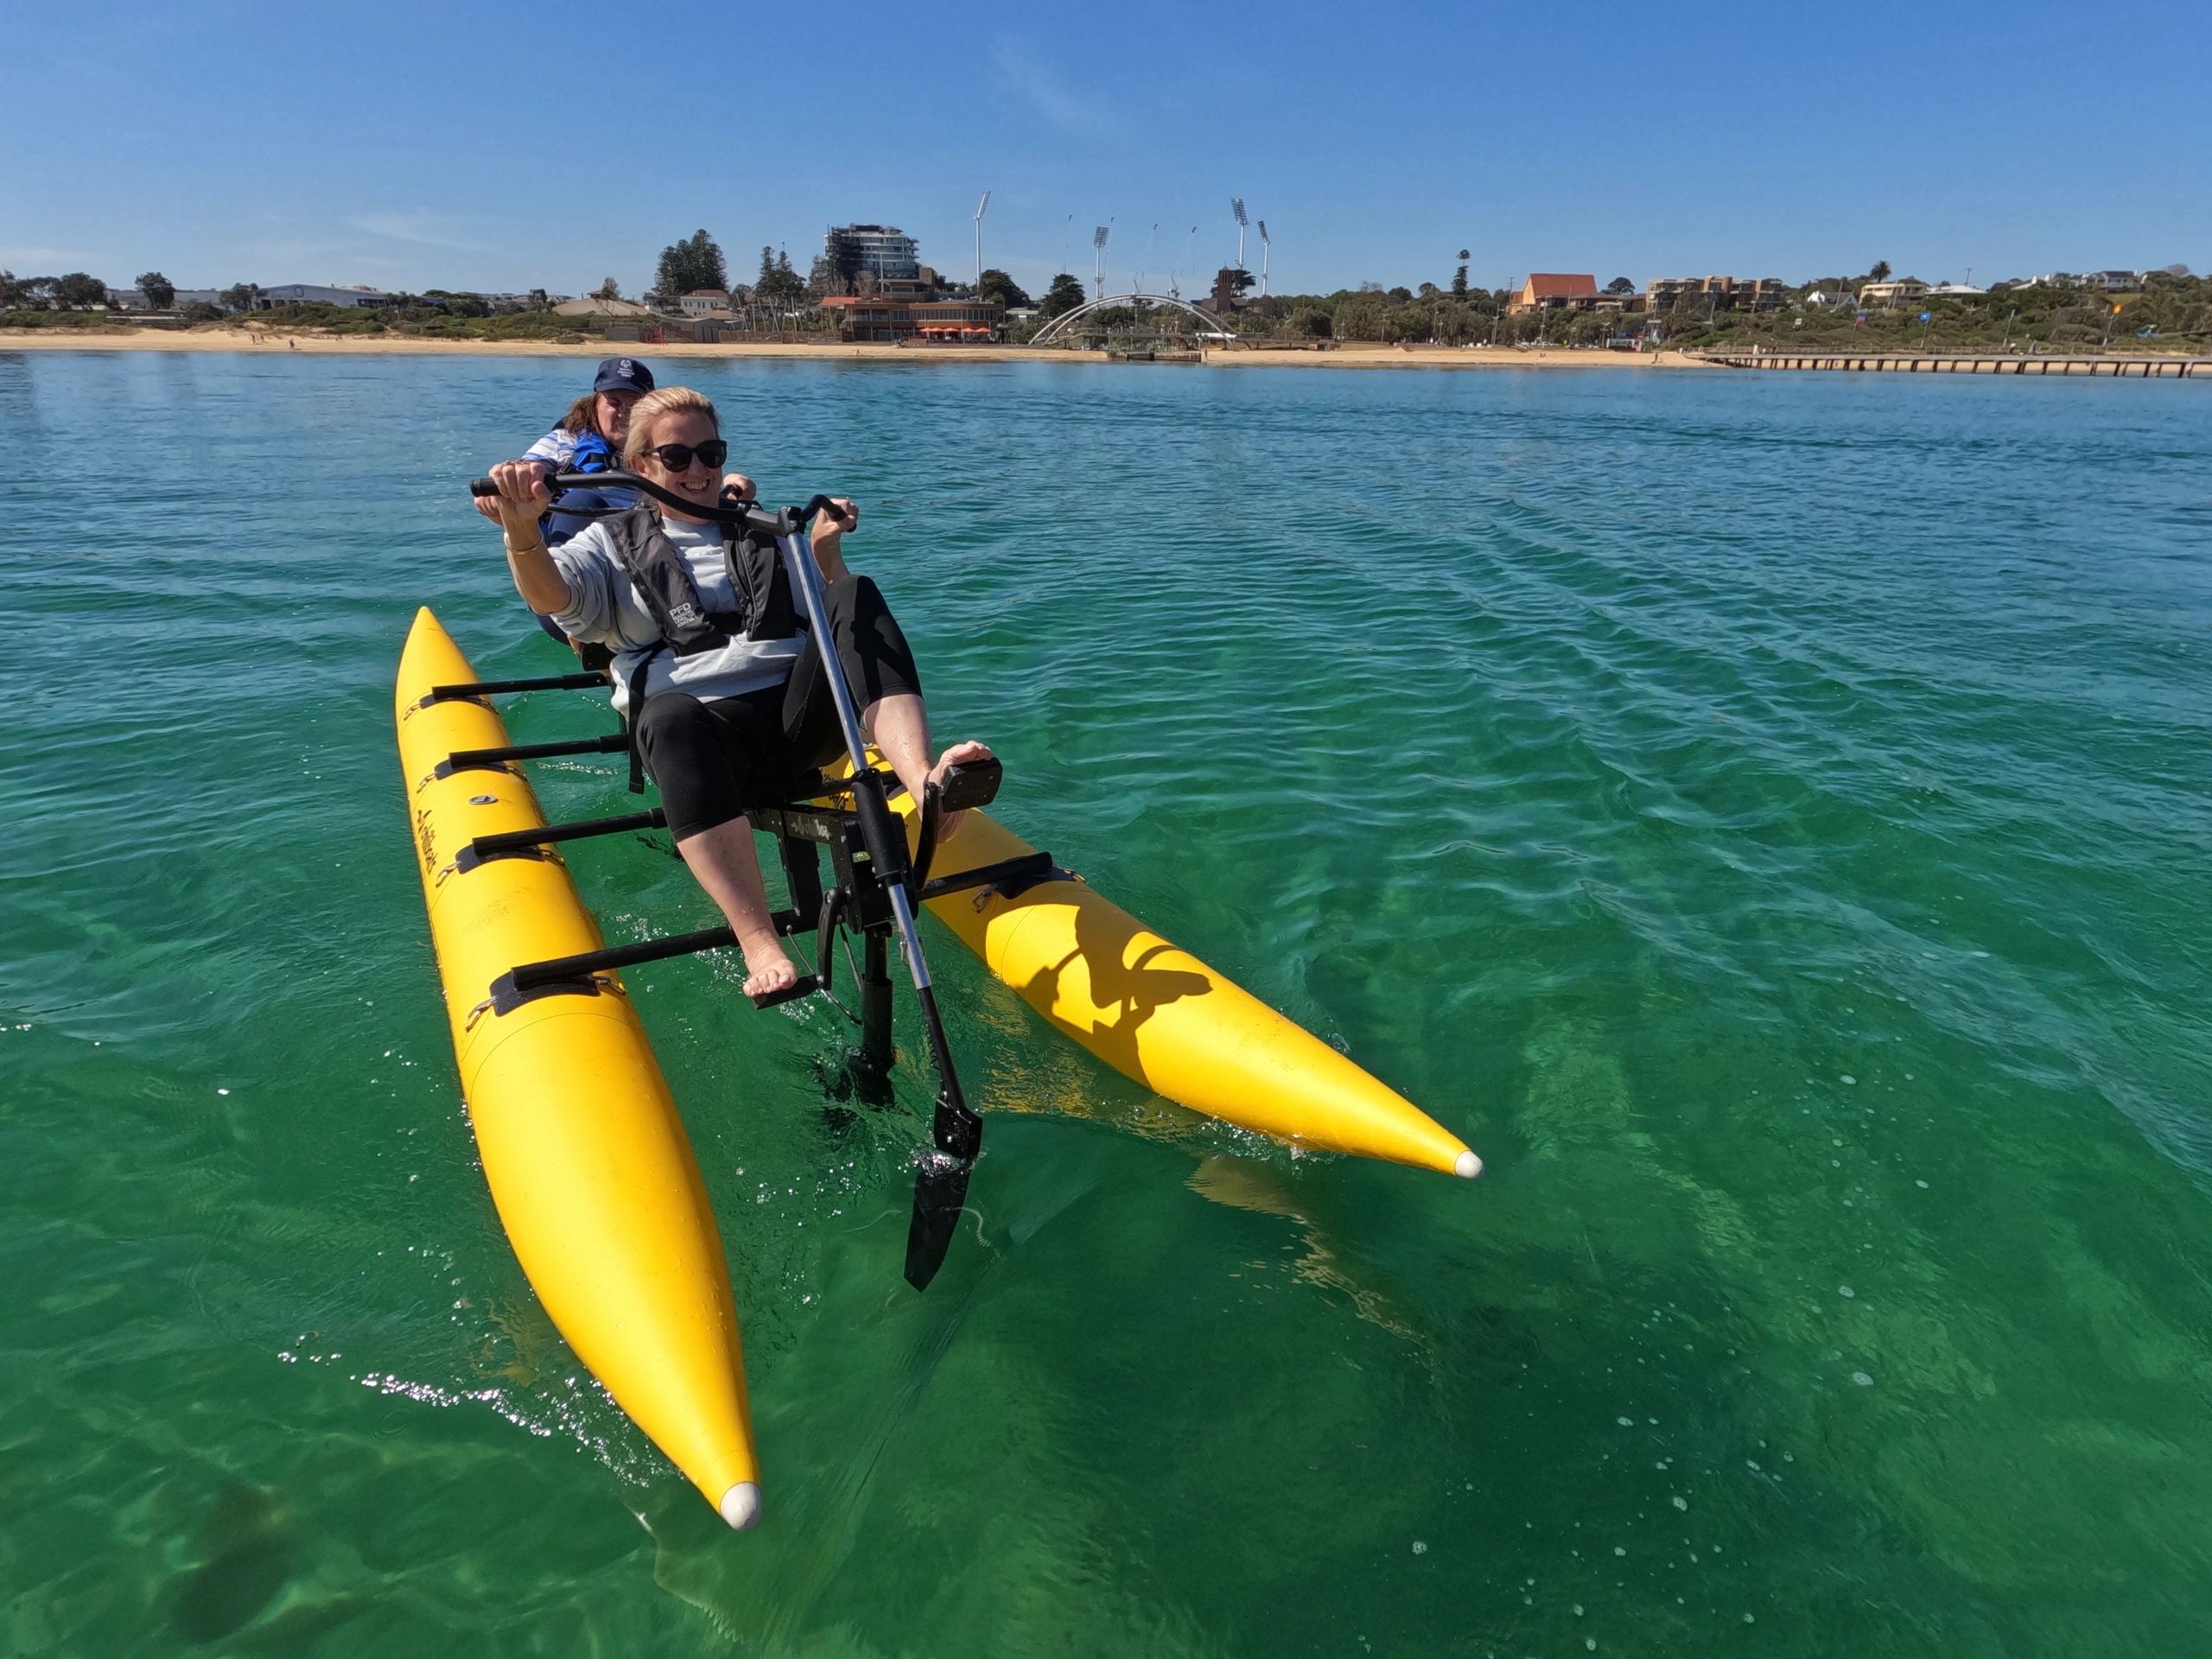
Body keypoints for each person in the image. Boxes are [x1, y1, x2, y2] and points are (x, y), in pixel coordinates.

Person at [483, 385, 991, 998]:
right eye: (677, 456)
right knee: (668, 716)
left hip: (800, 723)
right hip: (702, 742)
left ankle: (923, 786)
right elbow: (553, 598)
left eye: (710, 453)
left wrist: (825, 552)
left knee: (855, 593)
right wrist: (521, 531)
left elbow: (833, 616)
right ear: (640, 465)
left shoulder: (766, 530)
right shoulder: (605, 543)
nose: (697, 469)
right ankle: (756, 937)